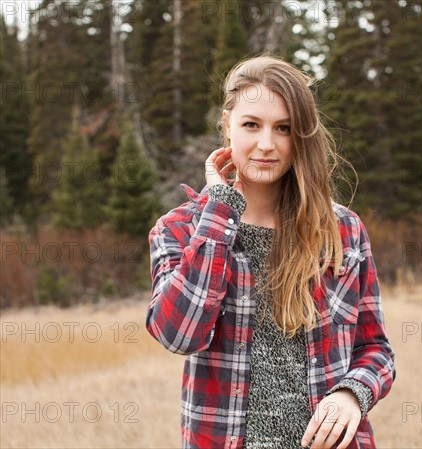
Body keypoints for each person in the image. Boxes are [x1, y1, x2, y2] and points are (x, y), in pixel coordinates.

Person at [145, 54, 395, 449]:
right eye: (251, 125)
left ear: (301, 137)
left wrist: (352, 394)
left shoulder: (342, 230)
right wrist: (220, 210)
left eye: (283, 128)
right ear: (227, 125)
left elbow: (375, 349)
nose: (266, 144)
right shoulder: (181, 229)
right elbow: (179, 335)